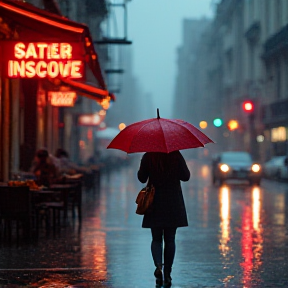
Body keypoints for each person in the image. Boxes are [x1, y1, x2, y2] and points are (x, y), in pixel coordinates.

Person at [137, 150, 190, 287]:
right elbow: (186, 176)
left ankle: (158, 266)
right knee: (170, 238)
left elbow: (142, 178)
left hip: (154, 202)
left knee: (156, 238)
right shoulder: (175, 155)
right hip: (173, 201)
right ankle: (167, 273)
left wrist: (144, 166)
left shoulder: (148, 156)